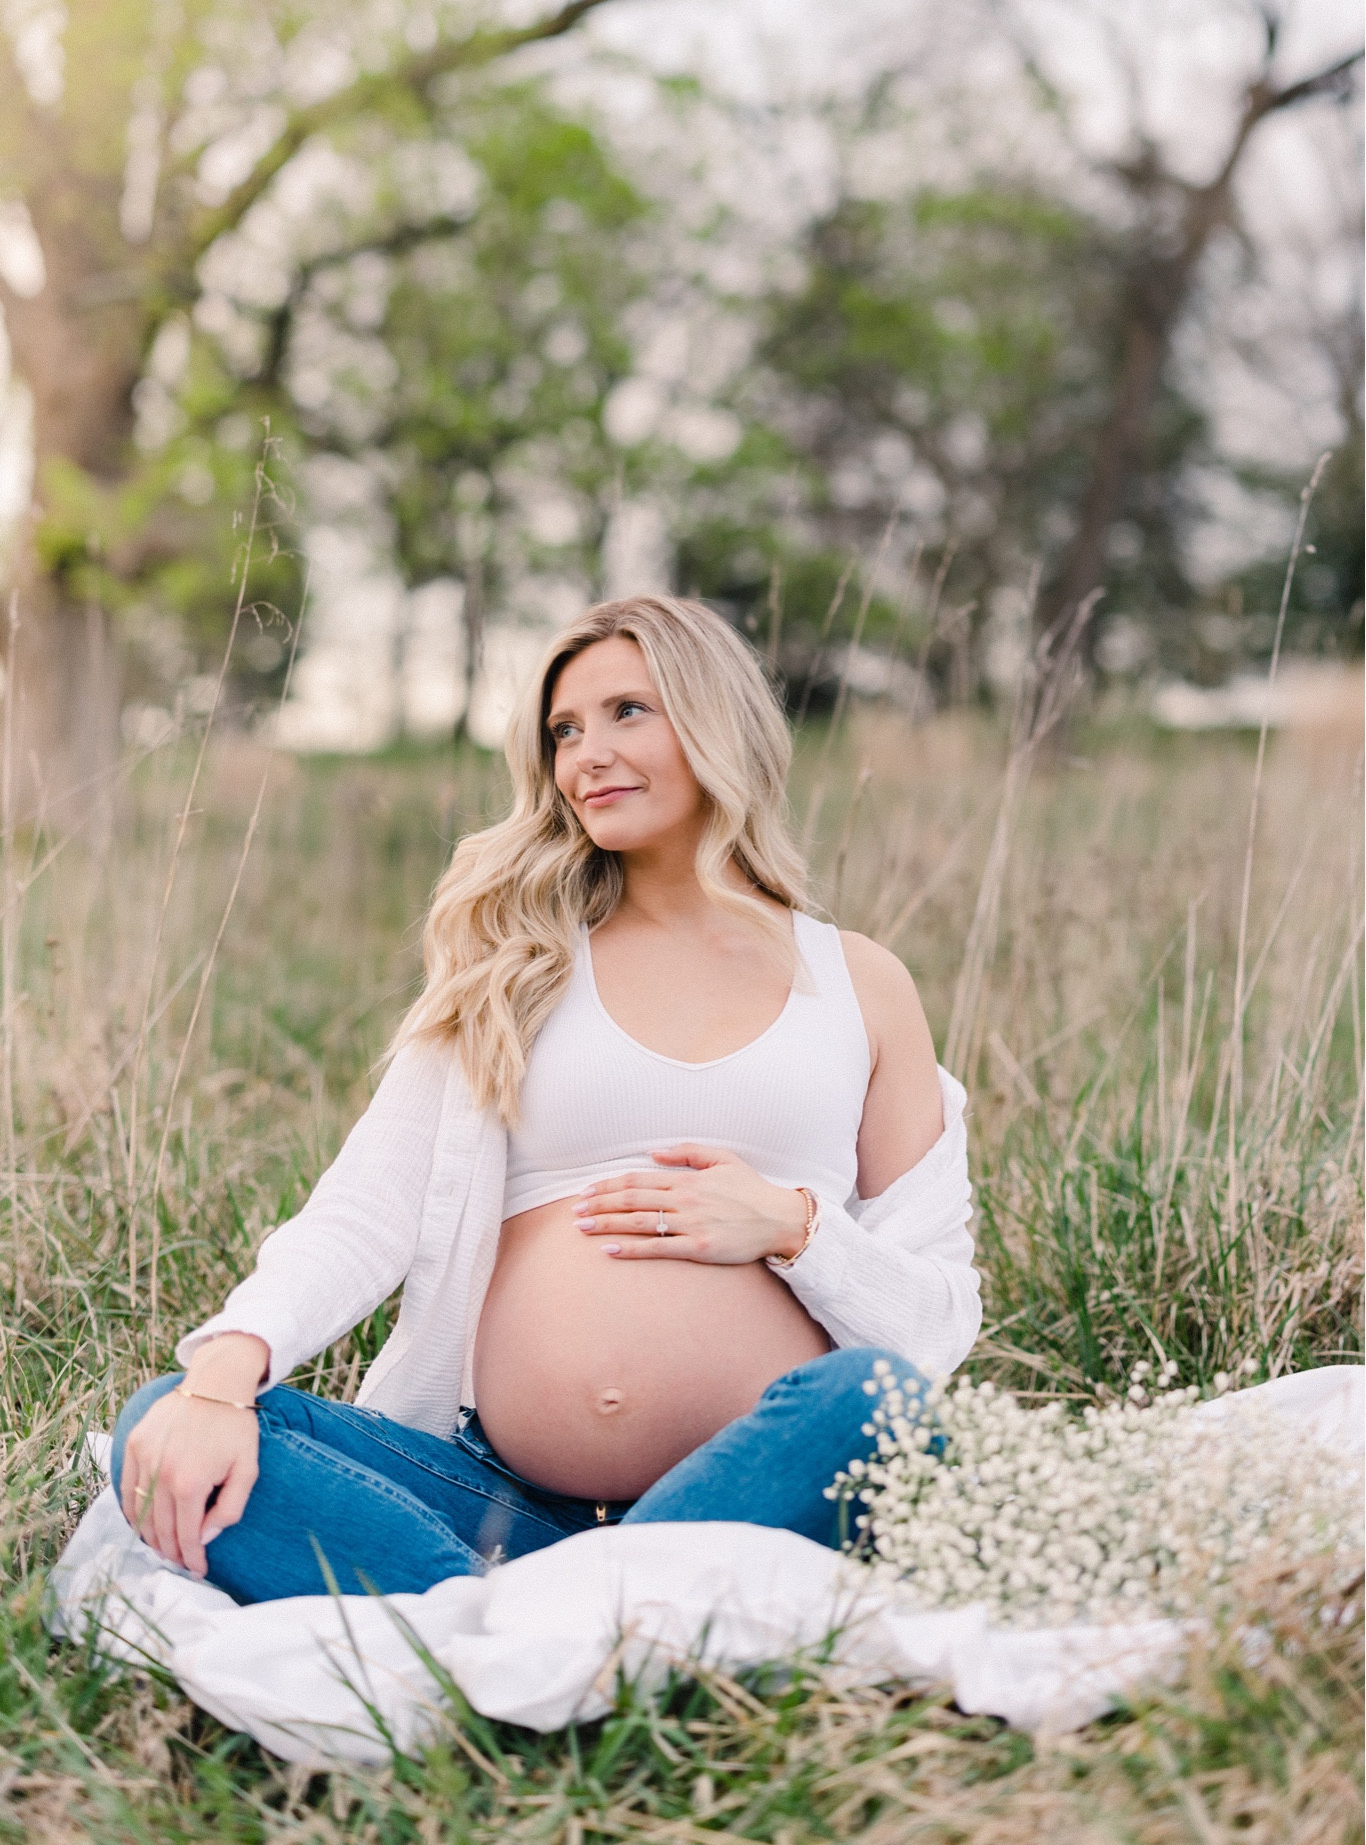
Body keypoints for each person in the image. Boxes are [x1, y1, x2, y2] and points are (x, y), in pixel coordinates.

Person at [112, 596, 980, 1605]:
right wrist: (226, 1368)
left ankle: (500, 1627)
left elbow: (935, 1323)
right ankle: (589, 1622)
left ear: (717, 723)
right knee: (165, 1417)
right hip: (490, 1502)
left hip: (759, 1495)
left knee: (870, 1399)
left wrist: (792, 1226)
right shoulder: (513, 967)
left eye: (626, 712)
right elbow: (364, 1209)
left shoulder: (861, 985)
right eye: (563, 730)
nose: (586, 756)